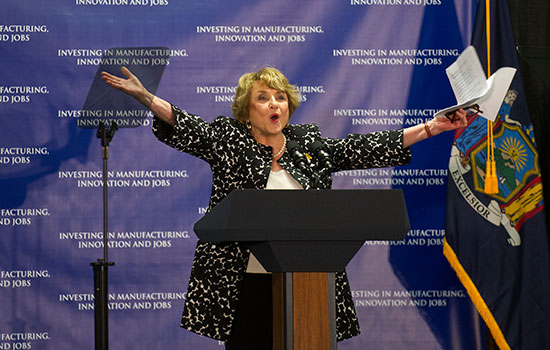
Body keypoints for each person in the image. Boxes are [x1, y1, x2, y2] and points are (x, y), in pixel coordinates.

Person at [101, 66, 467, 349]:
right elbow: (188, 126)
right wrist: (147, 98)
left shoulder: (309, 144)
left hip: (307, 284)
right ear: (246, 111)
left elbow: (361, 147)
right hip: (243, 283)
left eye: (280, 97)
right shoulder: (229, 140)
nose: (275, 104)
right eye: (263, 97)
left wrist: (431, 128)